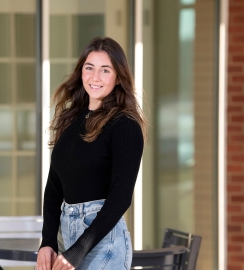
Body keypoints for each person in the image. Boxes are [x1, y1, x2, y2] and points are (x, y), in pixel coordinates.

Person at [36, 36, 147, 270]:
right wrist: (47, 242)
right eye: (89, 68)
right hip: (67, 236)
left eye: (105, 70)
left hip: (104, 245)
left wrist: (79, 250)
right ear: (81, 72)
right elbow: (55, 186)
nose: (95, 77)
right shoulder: (71, 119)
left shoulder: (125, 125)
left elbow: (121, 198)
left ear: (118, 78)